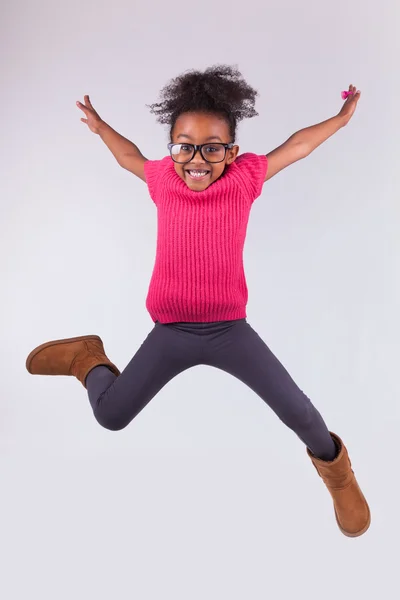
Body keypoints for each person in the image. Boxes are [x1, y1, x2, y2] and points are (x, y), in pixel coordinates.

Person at [26, 65, 370, 537]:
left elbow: (297, 145)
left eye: (212, 148)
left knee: (299, 412)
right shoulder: (162, 179)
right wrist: (103, 127)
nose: (197, 160)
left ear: (232, 151)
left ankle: (339, 476)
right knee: (110, 415)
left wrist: (340, 119)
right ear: (172, 149)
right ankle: (87, 359)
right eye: (184, 146)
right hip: (171, 333)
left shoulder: (245, 179)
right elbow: (127, 155)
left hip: (230, 332)